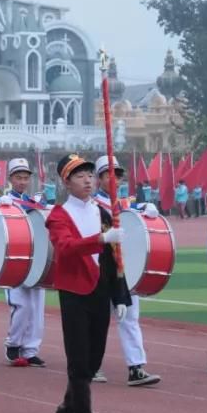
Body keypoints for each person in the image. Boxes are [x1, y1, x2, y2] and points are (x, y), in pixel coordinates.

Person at [47, 154, 132, 413]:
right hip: (74, 291)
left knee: (95, 358)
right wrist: (100, 239)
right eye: (79, 176)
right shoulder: (58, 216)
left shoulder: (103, 214)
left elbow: (114, 260)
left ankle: (69, 405)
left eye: (89, 175)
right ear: (66, 182)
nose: (87, 180)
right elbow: (66, 247)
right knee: (79, 357)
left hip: (100, 290)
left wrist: (120, 296)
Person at [92, 156, 162, 387]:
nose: (115, 179)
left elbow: (137, 210)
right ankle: (92, 366)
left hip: (124, 271)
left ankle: (136, 368)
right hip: (101, 270)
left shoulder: (125, 204)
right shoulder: (91, 205)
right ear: (99, 178)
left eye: (118, 175)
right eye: (109, 175)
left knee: (130, 318)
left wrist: (147, 207)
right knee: (98, 320)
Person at [0, 158, 48, 368]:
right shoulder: (2, 201)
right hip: (14, 258)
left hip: (36, 258)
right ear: (10, 179)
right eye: (18, 177)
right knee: (21, 305)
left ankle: (30, 350)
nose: (22, 181)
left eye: (25, 178)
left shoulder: (33, 202)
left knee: (37, 307)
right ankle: (13, 344)